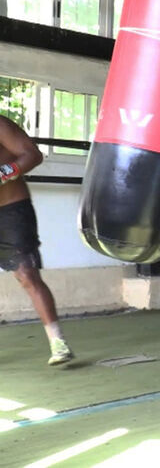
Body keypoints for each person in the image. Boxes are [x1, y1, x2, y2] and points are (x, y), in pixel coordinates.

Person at [0, 116, 73, 365]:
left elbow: (32, 154)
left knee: (27, 275)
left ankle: (58, 342)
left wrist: (3, 173)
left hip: (11, 210)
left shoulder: (0, 125)